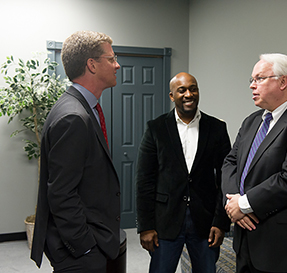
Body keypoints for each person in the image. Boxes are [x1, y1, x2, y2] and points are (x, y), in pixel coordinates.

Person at [222, 53, 287, 273]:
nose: (252, 86)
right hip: (246, 242)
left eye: (259, 78)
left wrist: (243, 204)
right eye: (251, 80)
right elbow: (230, 162)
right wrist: (234, 202)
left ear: (283, 82)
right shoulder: (252, 121)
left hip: (284, 250)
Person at [31, 30, 121, 273]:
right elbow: (61, 194)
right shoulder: (73, 117)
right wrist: (85, 247)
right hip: (78, 254)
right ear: (92, 65)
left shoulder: (80, 108)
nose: (117, 65)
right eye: (111, 59)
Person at [136, 72, 232, 273]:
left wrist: (221, 222)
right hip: (166, 220)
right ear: (172, 96)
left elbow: (226, 178)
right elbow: (145, 180)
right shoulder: (156, 128)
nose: (189, 94)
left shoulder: (216, 128)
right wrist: (145, 226)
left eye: (193, 89)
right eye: (182, 90)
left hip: (205, 222)